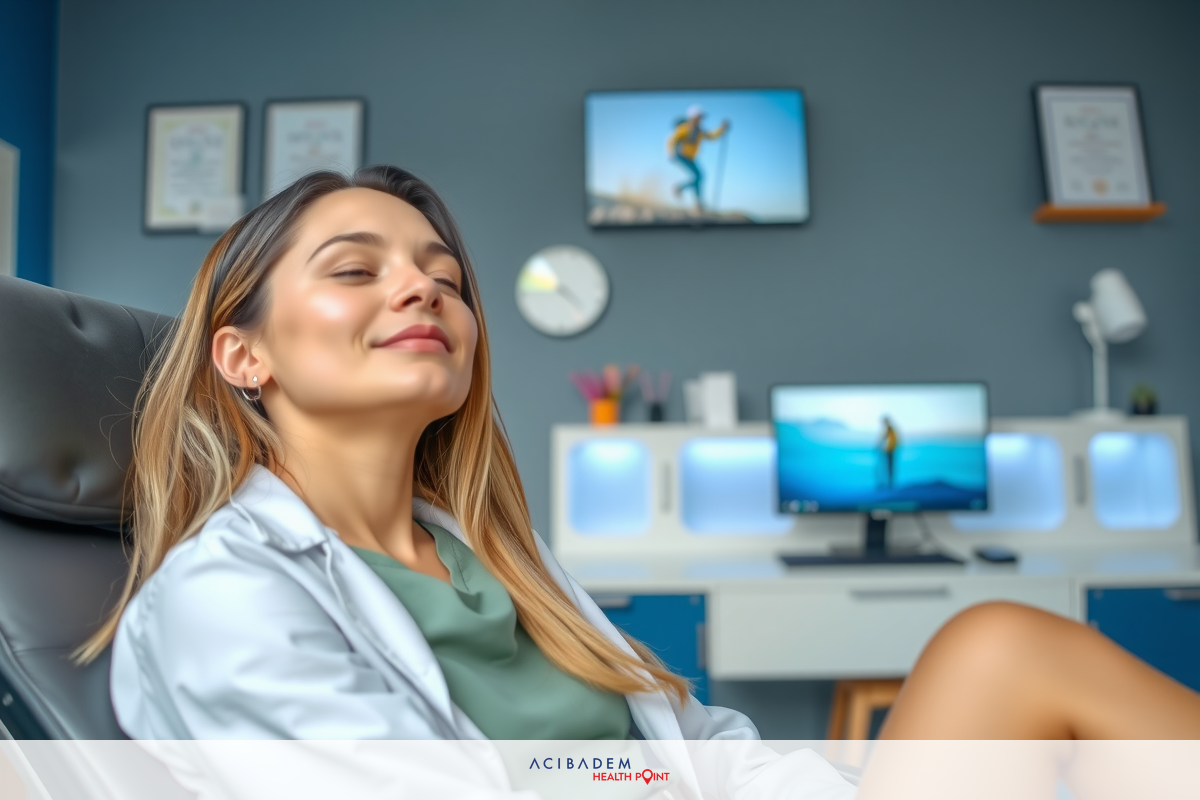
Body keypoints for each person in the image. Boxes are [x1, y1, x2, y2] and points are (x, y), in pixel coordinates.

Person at [79, 167, 1200, 799]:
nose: (423, 291)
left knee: (1002, 643)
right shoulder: (224, 597)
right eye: (357, 268)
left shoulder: (490, 560)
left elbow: (701, 746)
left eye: (445, 277)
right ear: (244, 356)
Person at [667, 105, 729, 212]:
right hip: (681, 155)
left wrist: (722, 129)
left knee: (699, 177)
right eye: (700, 116)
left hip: (690, 157)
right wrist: (671, 153)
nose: (702, 119)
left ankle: (696, 203)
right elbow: (672, 139)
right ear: (693, 117)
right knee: (698, 176)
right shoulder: (685, 128)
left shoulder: (700, 131)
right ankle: (684, 192)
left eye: (702, 117)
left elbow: (712, 136)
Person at [878, 416, 899, 489]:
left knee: (889, 467)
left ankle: (890, 484)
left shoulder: (890, 429)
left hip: (890, 451)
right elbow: (884, 438)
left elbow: (892, 440)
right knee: (888, 467)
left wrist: (886, 448)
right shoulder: (889, 429)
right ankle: (888, 483)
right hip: (888, 450)